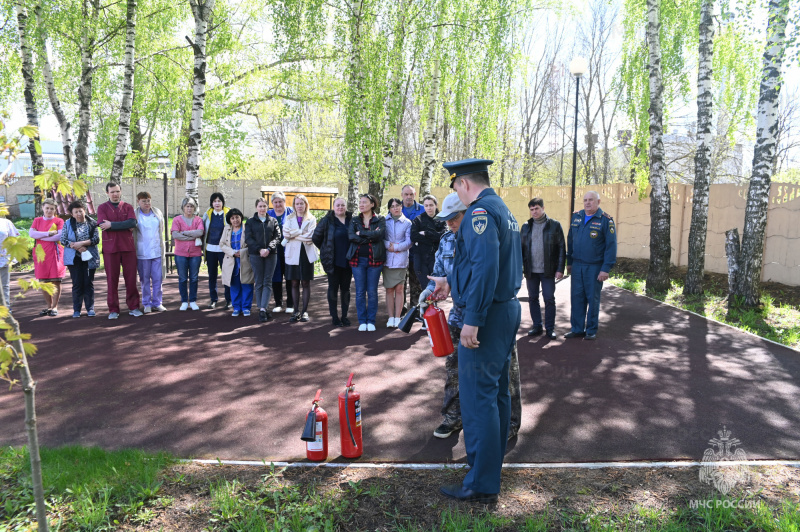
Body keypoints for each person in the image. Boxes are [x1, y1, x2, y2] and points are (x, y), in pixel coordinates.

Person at [430, 158, 522, 503]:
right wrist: (449, 281)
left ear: (464, 184)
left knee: (477, 399)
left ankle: (481, 483)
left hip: (488, 315)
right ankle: (488, 470)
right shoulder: (503, 210)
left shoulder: (480, 213)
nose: (456, 194)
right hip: (504, 310)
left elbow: (484, 269)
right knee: (497, 394)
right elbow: (481, 268)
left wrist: (473, 319)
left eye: (455, 187)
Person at [421, 193, 523, 442]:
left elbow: (487, 275)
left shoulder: (485, 232)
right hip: (459, 316)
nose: (450, 224)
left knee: (505, 372)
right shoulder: (447, 240)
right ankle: (454, 418)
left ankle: (509, 422)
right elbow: (440, 273)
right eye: (446, 220)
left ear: (467, 212)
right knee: (455, 370)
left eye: (454, 218)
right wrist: (430, 292)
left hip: (490, 316)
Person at [565, 190, 617, 340]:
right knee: (576, 298)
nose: (587, 202)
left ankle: (591, 330)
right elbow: (570, 240)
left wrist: (605, 269)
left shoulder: (606, 220)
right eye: (585, 200)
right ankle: (577, 328)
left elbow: (611, 246)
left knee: (592, 299)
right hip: (577, 266)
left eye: (591, 200)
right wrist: (569, 262)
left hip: (594, 267)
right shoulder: (577, 217)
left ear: (598, 202)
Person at [521, 197, 566, 339]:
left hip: (548, 271)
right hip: (531, 271)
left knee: (549, 299)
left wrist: (560, 269)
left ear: (543, 208)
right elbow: (520, 249)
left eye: (537, 209)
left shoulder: (554, 225)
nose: (534, 212)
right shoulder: (526, 226)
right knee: (532, 298)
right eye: (532, 209)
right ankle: (537, 326)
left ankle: (550, 328)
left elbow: (561, 248)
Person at [97, 182, 142, 319]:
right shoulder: (102, 208)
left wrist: (112, 225)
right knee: (112, 280)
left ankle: (134, 307)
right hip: (111, 249)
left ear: (120, 191)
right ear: (107, 193)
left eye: (117, 191)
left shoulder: (128, 207)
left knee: (131, 279)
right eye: (112, 192)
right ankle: (113, 309)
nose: (115, 194)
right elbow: (102, 225)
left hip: (128, 248)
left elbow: (132, 223)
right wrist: (122, 225)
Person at [312, 197, 353, 327]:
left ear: (346, 206)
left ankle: (344, 316)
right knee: (333, 289)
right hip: (333, 262)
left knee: (346, 290)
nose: (340, 207)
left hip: (348, 262)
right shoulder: (327, 221)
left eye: (342, 205)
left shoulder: (352, 220)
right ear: (333, 207)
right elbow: (316, 238)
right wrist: (326, 250)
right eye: (338, 205)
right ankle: (334, 317)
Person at [347, 194, 386, 332]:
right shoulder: (354, 220)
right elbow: (351, 236)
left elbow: (380, 235)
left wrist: (361, 234)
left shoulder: (380, 219)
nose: (361, 204)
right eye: (360, 202)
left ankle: (371, 321)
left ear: (372, 204)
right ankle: (362, 321)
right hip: (357, 261)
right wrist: (370, 236)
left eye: (364, 202)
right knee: (360, 292)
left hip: (375, 261)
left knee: (372, 292)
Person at [410, 194, 445, 329]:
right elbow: (413, 236)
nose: (429, 208)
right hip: (420, 260)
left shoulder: (442, 219)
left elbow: (442, 236)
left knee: (433, 290)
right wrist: (432, 236)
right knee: (426, 289)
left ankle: (431, 319)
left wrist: (427, 233)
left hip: (436, 261)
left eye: (431, 205)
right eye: (426, 205)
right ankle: (427, 320)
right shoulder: (418, 220)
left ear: (436, 205)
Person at [61, 200, 100, 318]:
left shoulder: (92, 223)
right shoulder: (67, 223)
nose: (79, 214)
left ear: (85, 210)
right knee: (77, 283)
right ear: (72, 214)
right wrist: (76, 246)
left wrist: (82, 244)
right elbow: (63, 240)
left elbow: (96, 239)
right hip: (74, 258)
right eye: (76, 212)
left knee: (88, 283)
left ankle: (90, 308)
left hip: (89, 257)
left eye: (80, 211)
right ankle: (76, 309)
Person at [282, 194, 318, 323]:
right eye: (297, 204)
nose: (299, 206)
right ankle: (296, 311)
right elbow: (285, 234)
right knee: (294, 282)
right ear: (294, 205)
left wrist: (293, 235)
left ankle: (305, 311)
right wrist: (299, 233)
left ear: (306, 205)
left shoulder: (311, 219)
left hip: (306, 254)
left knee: (305, 283)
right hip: (293, 254)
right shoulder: (289, 218)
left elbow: (309, 238)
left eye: (301, 203)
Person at [246, 197, 281, 323]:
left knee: (267, 281)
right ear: (256, 207)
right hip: (256, 255)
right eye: (260, 206)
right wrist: (260, 249)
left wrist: (269, 249)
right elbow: (248, 239)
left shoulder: (273, 221)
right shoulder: (250, 222)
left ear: (267, 207)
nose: (262, 208)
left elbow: (277, 237)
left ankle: (262, 309)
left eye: (264, 206)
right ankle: (262, 308)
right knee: (259, 282)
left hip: (271, 255)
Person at [29, 197, 65, 316]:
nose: (49, 211)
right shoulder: (37, 220)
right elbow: (31, 234)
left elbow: (58, 236)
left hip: (55, 253)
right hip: (41, 253)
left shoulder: (59, 221)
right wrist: (48, 233)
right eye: (47, 208)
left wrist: (40, 236)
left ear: (55, 210)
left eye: (52, 209)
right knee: (43, 280)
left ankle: (54, 307)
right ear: (42, 208)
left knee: (55, 280)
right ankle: (48, 306)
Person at [134, 192, 167, 313]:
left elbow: (161, 229)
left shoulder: (157, 212)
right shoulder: (135, 214)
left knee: (158, 278)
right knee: (145, 279)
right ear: (138, 202)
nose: (147, 203)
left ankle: (157, 302)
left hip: (157, 250)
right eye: (144, 201)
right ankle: (147, 303)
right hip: (142, 252)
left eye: (148, 200)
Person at [171, 197, 205, 311]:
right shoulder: (177, 220)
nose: (189, 208)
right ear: (183, 207)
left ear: (194, 208)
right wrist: (192, 236)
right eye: (187, 206)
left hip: (195, 253)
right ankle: (184, 301)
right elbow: (175, 235)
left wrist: (184, 233)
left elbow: (200, 232)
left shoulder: (198, 220)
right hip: (180, 253)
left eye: (191, 206)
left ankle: (193, 300)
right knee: (183, 278)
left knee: (194, 278)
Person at [383, 198, 412, 328]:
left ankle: (397, 317)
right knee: (389, 289)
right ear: (389, 209)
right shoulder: (384, 221)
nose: (396, 208)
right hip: (387, 259)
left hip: (401, 259)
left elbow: (409, 242)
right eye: (393, 206)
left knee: (399, 289)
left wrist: (396, 247)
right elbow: (381, 238)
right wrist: (387, 245)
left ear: (401, 207)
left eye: (398, 205)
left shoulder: (407, 223)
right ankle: (390, 318)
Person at [220, 208, 254, 317]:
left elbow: (251, 243)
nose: (235, 220)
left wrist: (242, 252)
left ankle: (246, 307)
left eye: (237, 217)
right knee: (234, 285)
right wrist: (233, 253)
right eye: (232, 218)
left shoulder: (246, 228)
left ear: (241, 218)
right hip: (231, 261)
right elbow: (222, 244)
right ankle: (236, 307)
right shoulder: (227, 229)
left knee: (246, 284)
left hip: (244, 260)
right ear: (229, 220)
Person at [202, 192, 231, 309]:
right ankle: (213, 299)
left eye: (219, 201)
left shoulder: (228, 214)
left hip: (224, 250)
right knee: (212, 275)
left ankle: (229, 300)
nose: (217, 203)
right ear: (211, 203)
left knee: (226, 275)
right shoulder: (207, 214)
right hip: (210, 249)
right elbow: (203, 230)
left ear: (223, 202)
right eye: (214, 201)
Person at [268, 192, 295, 314]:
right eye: (275, 202)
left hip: (290, 250)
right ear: (272, 203)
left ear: (285, 202)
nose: (278, 204)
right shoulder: (269, 214)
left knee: (290, 277)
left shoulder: (291, 212)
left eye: (280, 201)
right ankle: (278, 303)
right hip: (274, 251)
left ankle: (290, 303)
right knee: (276, 276)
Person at [401, 184, 425, 310]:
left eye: (411, 194)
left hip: (417, 253)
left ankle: (415, 311)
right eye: (406, 194)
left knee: (417, 284)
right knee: (401, 284)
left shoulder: (422, 209)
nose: (409, 197)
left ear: (415, 195)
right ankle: (402, 310)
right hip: (400, 253)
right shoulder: (396, 208)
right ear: (402, 195)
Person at [0, 214, 20, 311]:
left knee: (4, 285)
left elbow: (14, 239)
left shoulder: (6, 223)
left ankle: (6, 308)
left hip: (3, 259)